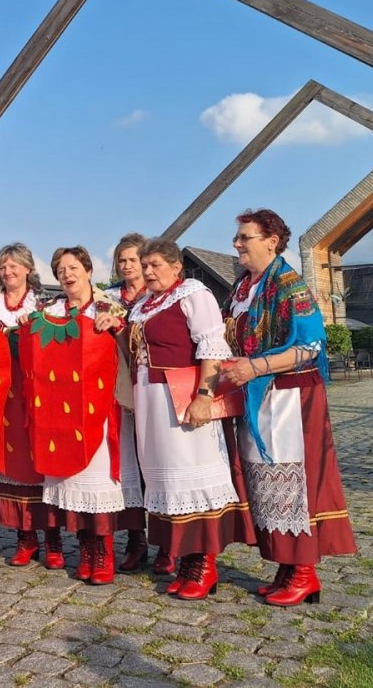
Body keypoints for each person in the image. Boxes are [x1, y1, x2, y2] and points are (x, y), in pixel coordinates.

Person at [221, 210, 357, 606]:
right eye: (237, 237)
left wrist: (256, 366)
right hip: (259, 397)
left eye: (245, 237)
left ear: (271, 241)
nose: (237, 244)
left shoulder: (290, 286)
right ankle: (285, 565)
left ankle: (304, 572)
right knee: (265, 479)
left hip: (291, 397)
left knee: (294, 483)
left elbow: (311, 345)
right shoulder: (243, 287)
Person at [125, 238, 255, 601]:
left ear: (176, 266)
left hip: (181, 399)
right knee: (166, 481)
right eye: (144, 265)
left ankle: (204, 565)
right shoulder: (143, 305)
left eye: (155, 265)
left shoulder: (194, 294)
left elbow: (211, 347)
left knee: (191, 476)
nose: (148, 271)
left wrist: (203, 396)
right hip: (150, 401)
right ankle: (185, 561)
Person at [38, 246, 136, 586]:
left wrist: (117, 328)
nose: (67, 274)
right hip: (62, 411)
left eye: (73, 267)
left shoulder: (110, 306)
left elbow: (132, 350)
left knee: (97, 481)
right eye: (61, 270)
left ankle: (104, 553)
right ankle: (85, 551)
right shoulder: (50, 311)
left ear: (89, 271)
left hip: (101, 408)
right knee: (72, 479)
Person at [0, 243, 64, 568]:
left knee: (40, 464)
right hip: (0, 395)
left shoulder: (45, 304)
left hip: (34, 394)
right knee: (12, 464)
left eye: (13, 266)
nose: (7, 272)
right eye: (2, 267)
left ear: (28, 269)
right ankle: (26, 538)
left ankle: (53, 540)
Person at [103, 233, 152, 573]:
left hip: (153, 386)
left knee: (155, 462)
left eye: (133, 259)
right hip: (119, 387)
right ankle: (136, 539)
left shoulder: (157, 296)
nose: (127, 265)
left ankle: (166, 541)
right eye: (122, 260)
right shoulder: (106, 298)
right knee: (129, 463)